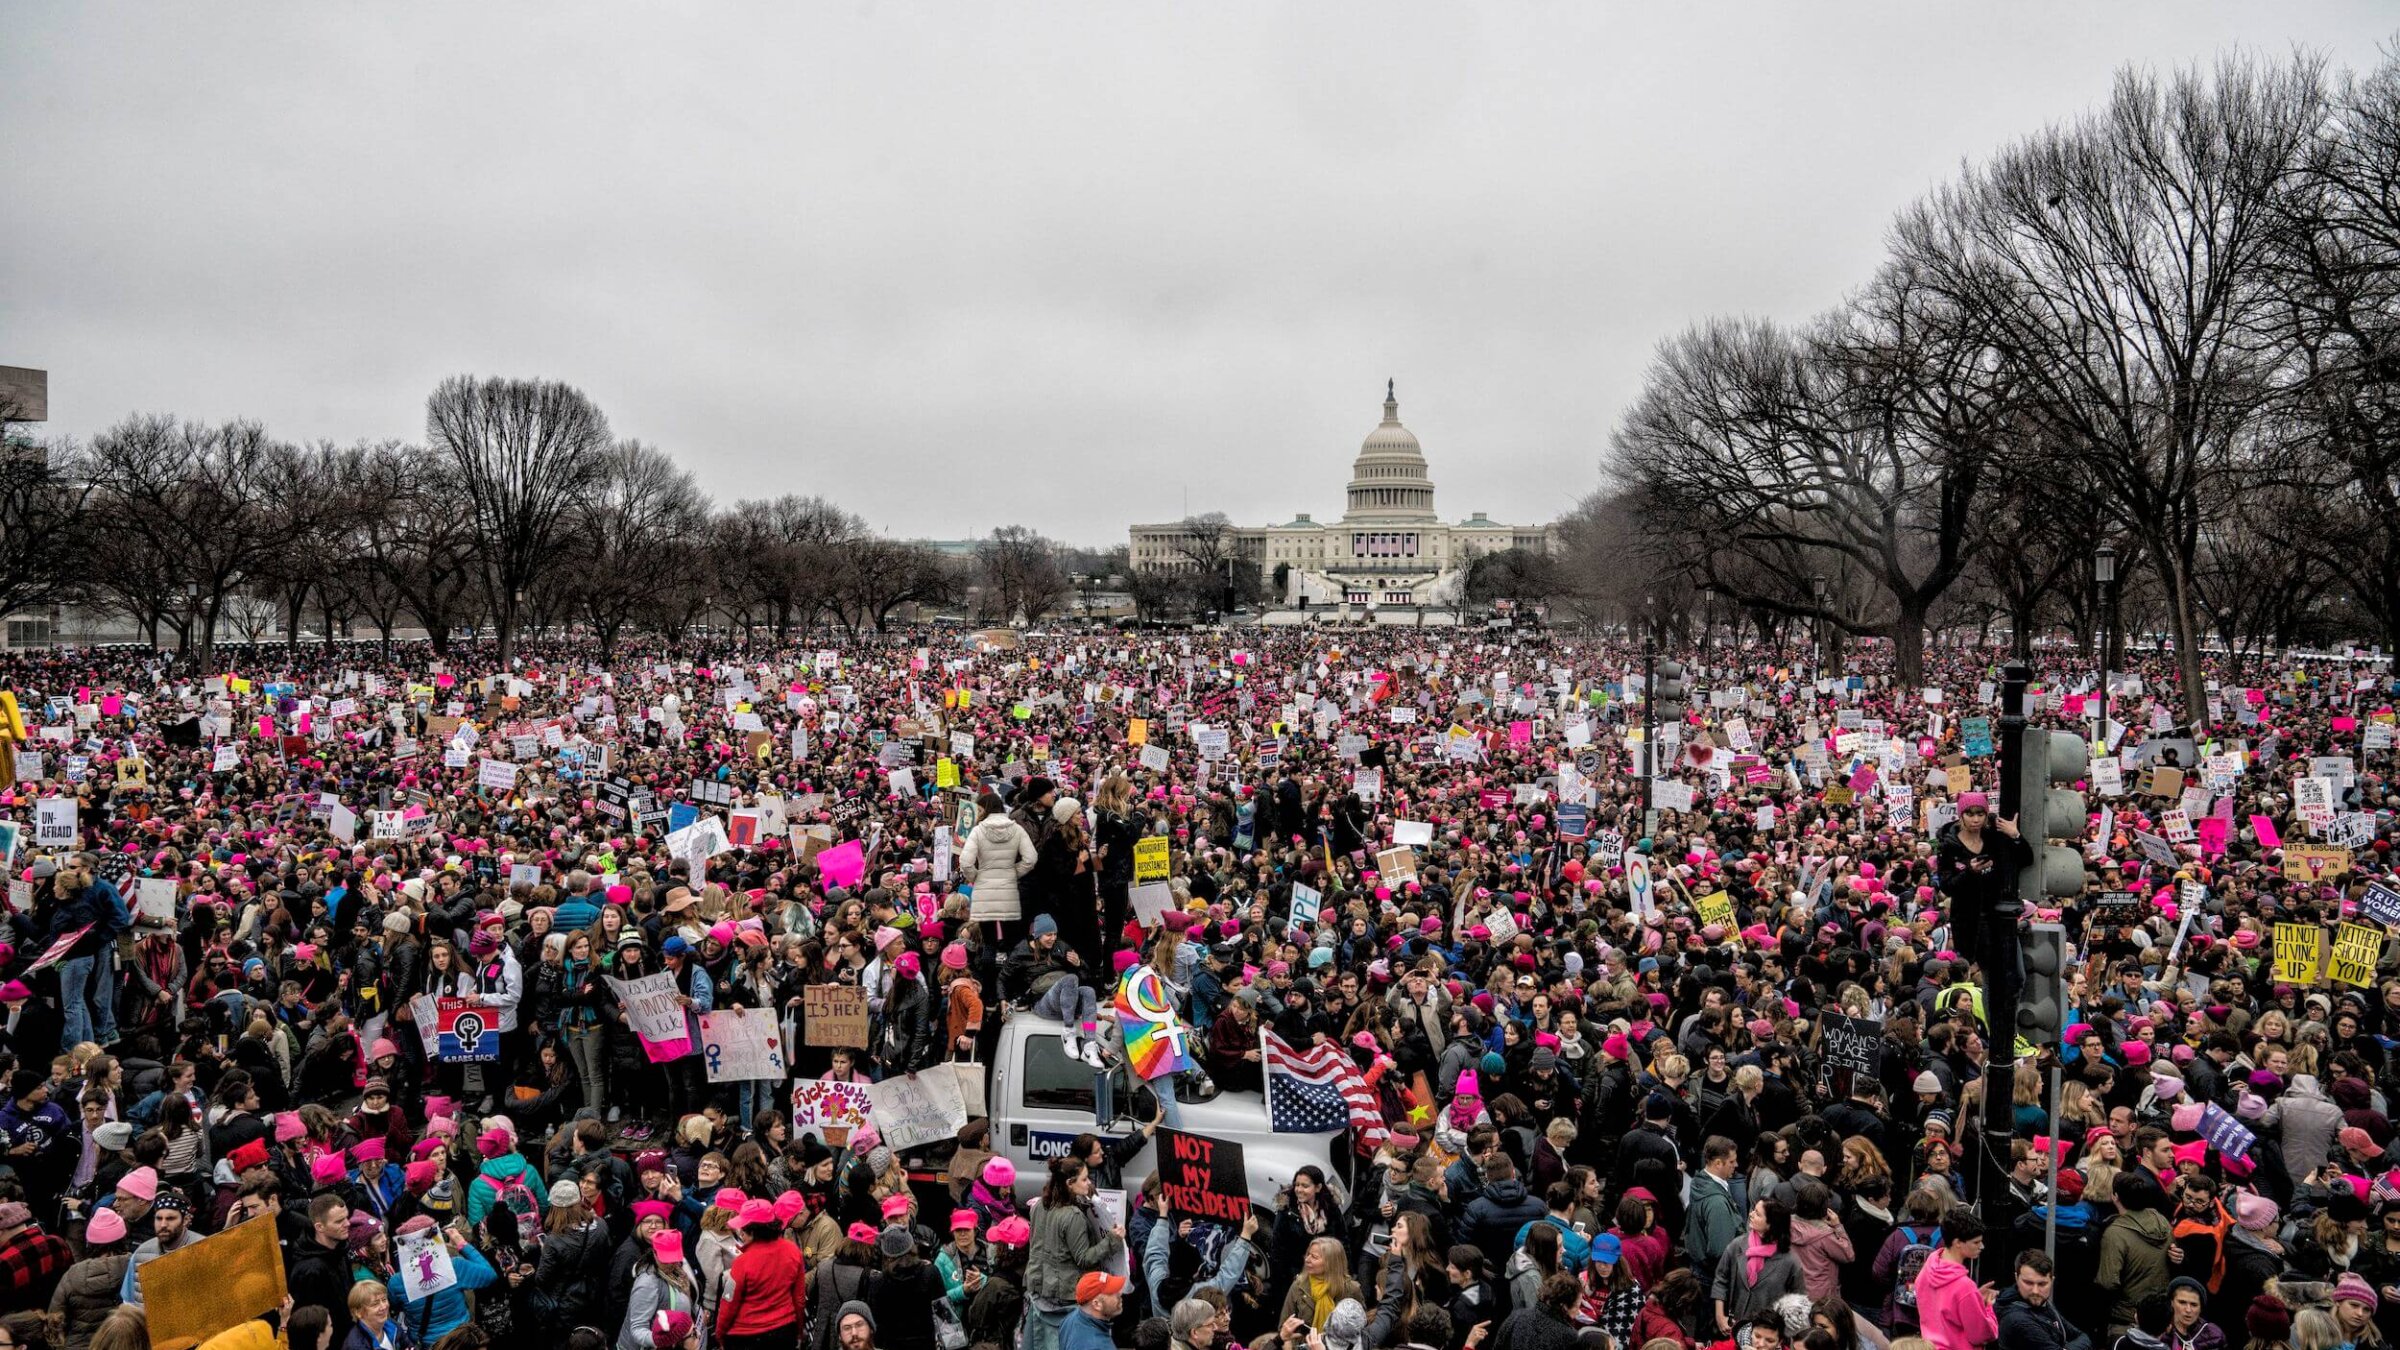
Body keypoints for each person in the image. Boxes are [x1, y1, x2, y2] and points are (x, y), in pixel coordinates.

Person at [714, 1201, 806, 1350]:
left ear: (753, 1232)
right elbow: (799, 1298)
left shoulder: (742, 1263)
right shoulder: (793, 1251)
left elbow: (728, 1304)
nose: (740, 1233)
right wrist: (799, 1331)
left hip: (745, 1337)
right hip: (784, 1331)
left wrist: (720, 1334)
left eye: (743, 1229)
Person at [1913, 1207, 1999, 1350]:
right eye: (1976, 1242)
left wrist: (1975, 1298)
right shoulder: (1965, 1287)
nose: (1981, 1247)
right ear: (1958, 1242)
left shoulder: (1926, 1271)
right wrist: (1988, 1308)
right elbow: (1981, 1335)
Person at [1996, 1250, 2089, 1350]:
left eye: (2042, 1284)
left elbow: (2083, 1337)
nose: (2035, 1291)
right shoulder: (2017, 1319)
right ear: (2016, 1278)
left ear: (2052, 1281)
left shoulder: (2042, 1304)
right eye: (2028, 1283)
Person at [1063, 1271, 1126, 1350]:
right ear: (1097, 1304)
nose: (1120, 1293)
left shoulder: (1070, 1319)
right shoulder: (1098, 1346)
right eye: (1112, 1292)